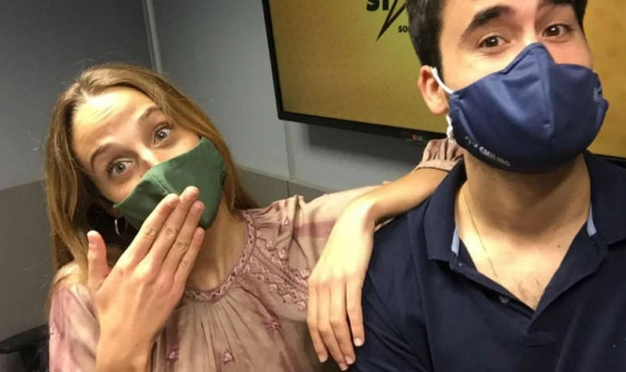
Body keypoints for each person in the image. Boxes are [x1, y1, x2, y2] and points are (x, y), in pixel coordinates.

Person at [351, 0, 626, 371]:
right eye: (492, 40)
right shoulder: (388, 277)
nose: (537, 60)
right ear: (436, 90)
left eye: (556, 29)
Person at [45, 63, 461, 371]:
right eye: (118, 167)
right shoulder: (89, 296)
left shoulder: (301, 234)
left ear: (198, 132)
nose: (157, 167)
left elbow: (458, 161)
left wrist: (363, 213)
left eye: (162, 133)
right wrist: (122, 352)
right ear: (107, 205)